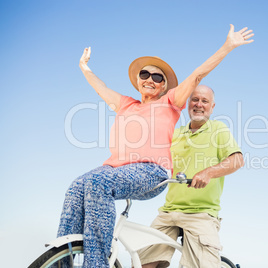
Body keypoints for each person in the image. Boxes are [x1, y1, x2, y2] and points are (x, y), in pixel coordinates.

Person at [55, 24, 254, 268]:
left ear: (163, 86)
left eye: (157, 77)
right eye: (145, 75)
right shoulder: (126, 104)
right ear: (138, 81)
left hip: (150, 172)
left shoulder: (170, 103)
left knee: (98, 185)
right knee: (76, 187)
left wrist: (227, 47)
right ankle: (60, 262)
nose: (150, 79)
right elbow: (101, 88)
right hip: (116, 170)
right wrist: (84, 68)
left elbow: (198, 75)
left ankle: (95, 264)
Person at [139, 85, 244, 268]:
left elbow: (237, 160)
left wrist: (208, 172)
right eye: (195, 99)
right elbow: (153, 161)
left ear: (212, 106)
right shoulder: (175, 134)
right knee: (143, 262)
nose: (199, 104)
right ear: (188, 104)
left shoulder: (218, 129)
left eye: (205, 101)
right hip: (169, 211)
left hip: (201, 213)